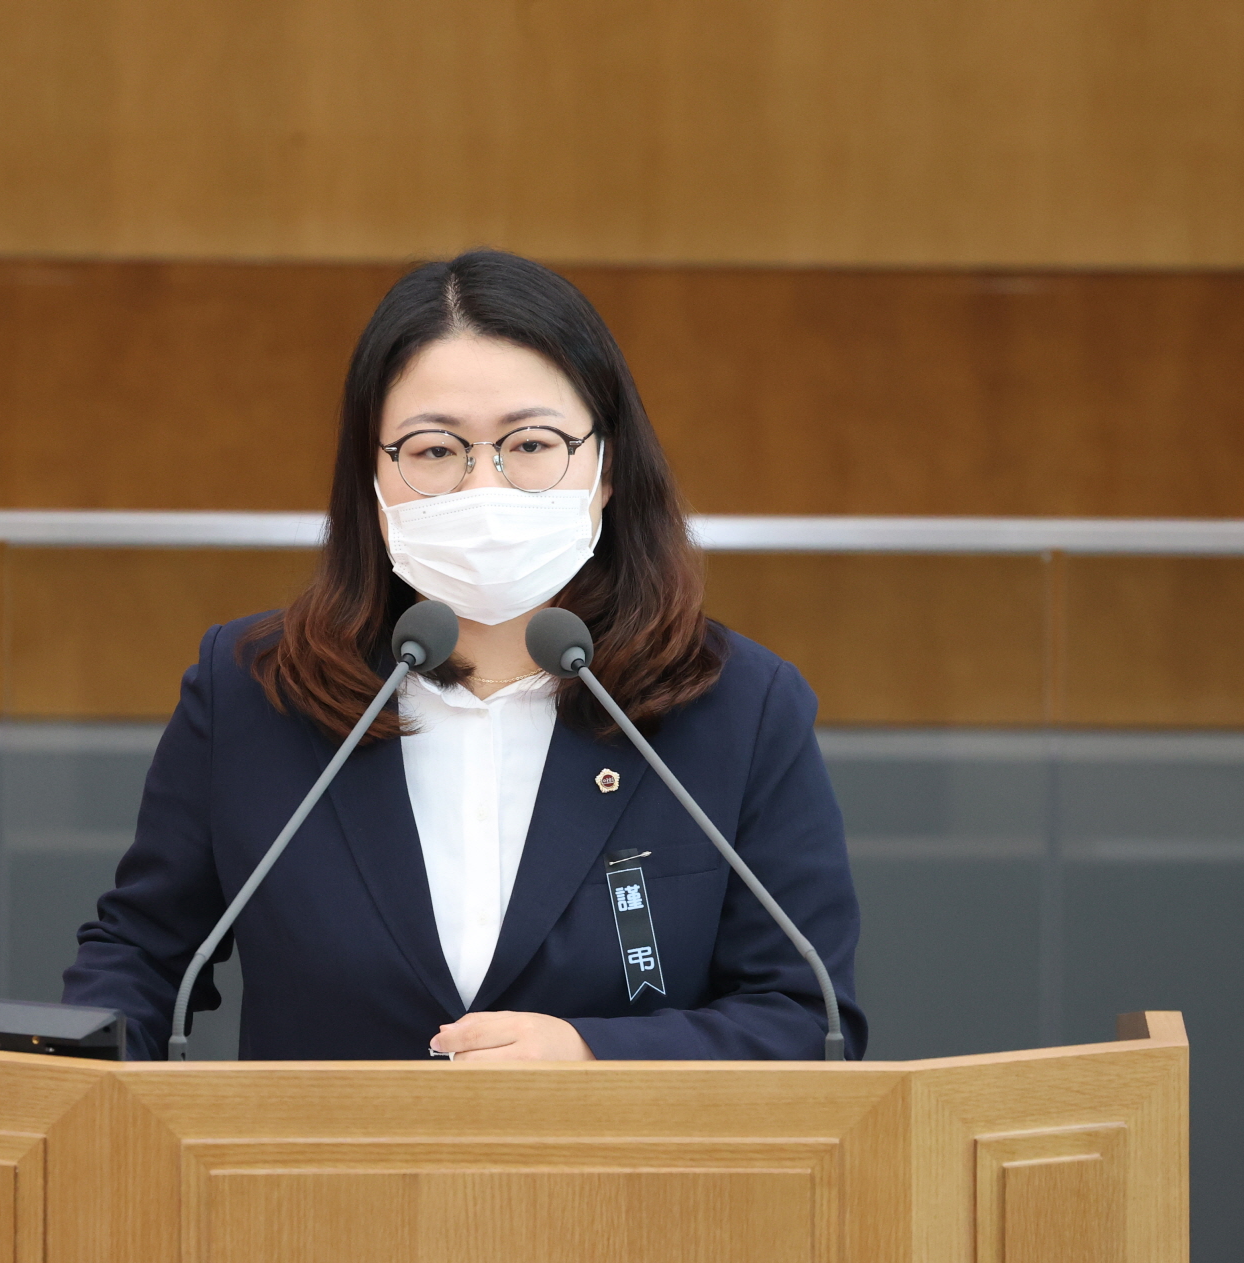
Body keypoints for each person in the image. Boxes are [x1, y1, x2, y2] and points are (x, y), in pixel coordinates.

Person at [63, 249, 866, 1061]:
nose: (486, 486)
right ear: (372, 482)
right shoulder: (252, 690)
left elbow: (805, 1016)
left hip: (619, 1185)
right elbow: (139, 957)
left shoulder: (738, 706)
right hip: (314, 1184)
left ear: (606, 466)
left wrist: (596, 1058)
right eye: (436, 450)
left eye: (531, 443)